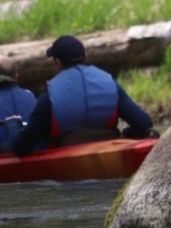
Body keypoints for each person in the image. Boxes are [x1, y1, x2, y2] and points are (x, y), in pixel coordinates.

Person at [9, 35, 155, 155]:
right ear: (85, 56)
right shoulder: (111, 84)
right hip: (109, 152)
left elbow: (22, 147)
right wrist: (128, 133)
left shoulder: (50, 95)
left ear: (58, 63)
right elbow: (145, 124)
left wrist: (13, 127)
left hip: (67, 160)